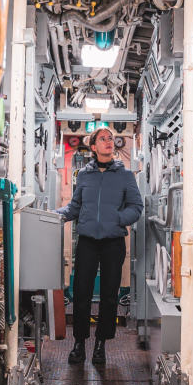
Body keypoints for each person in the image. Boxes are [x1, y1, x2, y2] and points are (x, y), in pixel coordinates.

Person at [56, 127, 143, 366]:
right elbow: (74, 208)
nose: (109, 142)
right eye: (102, 139)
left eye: (110, 139)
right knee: (81, 294)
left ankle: (101, 344)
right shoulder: (84, 175)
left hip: (113, 242)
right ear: (93, 147)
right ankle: (79, 343)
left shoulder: (125, 176)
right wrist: (53, 215)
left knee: (108, 296)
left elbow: (136, 207)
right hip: (87, 242)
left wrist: (117, 219)